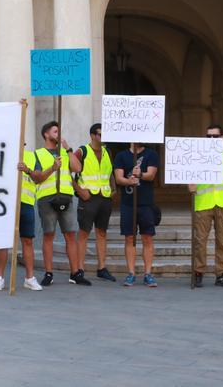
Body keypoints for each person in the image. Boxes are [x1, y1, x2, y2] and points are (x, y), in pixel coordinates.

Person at [31, 121, 89, 286]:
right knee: (48, 235)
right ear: (46, 134)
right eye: (55, 131)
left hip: (66, 197)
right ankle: (48, 273)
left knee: (71, 235)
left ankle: (75, 273)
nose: (59, 134)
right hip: (47, 198)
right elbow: (37, 178)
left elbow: (77, 169)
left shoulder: (65, 152)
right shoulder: (38, 154)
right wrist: (52, 168)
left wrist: (69, 149)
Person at [189, 124, 223, 289]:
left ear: (221, 138)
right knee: (200, 241)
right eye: (208, 136)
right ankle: (198, 273)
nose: (211, 139)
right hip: (204, 203)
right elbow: (191, 182)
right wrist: (191, 186)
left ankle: (221, 274)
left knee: (222, 241)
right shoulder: (198, 156)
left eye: (215, 136)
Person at [0, 144, 42, 292]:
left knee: (27, 240)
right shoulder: (4, 154)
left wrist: (27, 169)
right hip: (7, 203)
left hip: (26, 203)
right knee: (4, 241)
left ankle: (29, 278)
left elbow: (38, 177)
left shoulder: (32, 157)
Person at [73, 123, 116, 282]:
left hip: (104, 197)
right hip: (88, 197)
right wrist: (79, 190)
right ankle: (80, 268)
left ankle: (102, 267)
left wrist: (113, 189)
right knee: (83, 233)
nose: (102, 137)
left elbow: (109, 171)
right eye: (99, 134)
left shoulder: (107, 152)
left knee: (102, 232)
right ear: (92, 135)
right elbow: (67, 171)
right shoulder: (82, 151)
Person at [113, 142, 159, 287]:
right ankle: (131, 273)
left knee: (147, 237)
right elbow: (118, 178)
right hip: (128, 203)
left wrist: (140, 174)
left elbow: (151, 175)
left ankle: (148, 274)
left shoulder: (151, 154)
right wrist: (129, 181)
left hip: (146, 203)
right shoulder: (121, 156)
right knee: (129, 238)